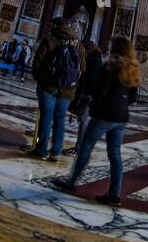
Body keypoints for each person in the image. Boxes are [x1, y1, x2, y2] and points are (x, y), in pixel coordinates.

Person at [54, 37, 141, 205]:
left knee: (85, 147)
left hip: (104, 115)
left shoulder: (110, 66)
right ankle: (114, 194)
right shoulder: (132, 68)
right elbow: (133, 97)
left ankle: (71, 182)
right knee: (115, 154)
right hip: (121, 117)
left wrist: (94, 109)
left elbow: (100, 92)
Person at [30, 17, 86, 162]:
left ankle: (41, 150)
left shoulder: (50, 38)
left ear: (54, 25)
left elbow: (37, 60)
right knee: (60, 120)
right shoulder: (78, 43)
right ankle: (56, 152)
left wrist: (39, 78)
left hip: (48, 86)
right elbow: (83, 68)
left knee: (46, 117)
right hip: (67, 90)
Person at [68, 41, 105, 150]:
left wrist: (78, 96)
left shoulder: (92, 62)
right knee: (83, 121)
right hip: (91, 96)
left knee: (83, 122)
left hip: (87, 96)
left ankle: (79, 148)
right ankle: (80, 147)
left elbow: (86, 81)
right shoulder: (98, 60)